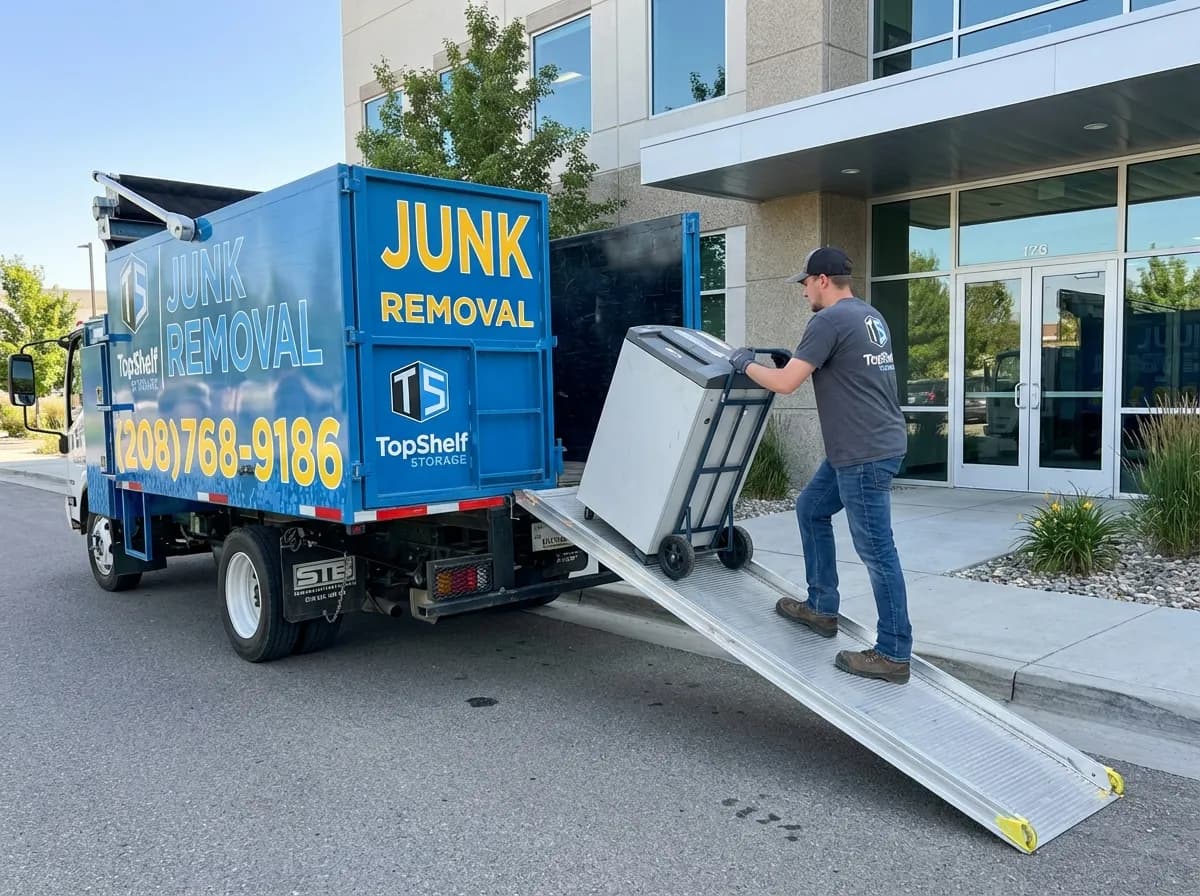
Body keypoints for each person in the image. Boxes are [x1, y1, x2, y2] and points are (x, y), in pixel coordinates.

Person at [728, 246, 913, 685]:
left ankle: (892, 653)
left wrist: (745, 364)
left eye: (806, 282)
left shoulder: (827, 320)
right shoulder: (868, 316)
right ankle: (821, 607)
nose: (803, 290)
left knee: (877, 551)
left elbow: (786, 383)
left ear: (824, 280)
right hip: (870, 445)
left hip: (862, 453)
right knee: (811, 508)